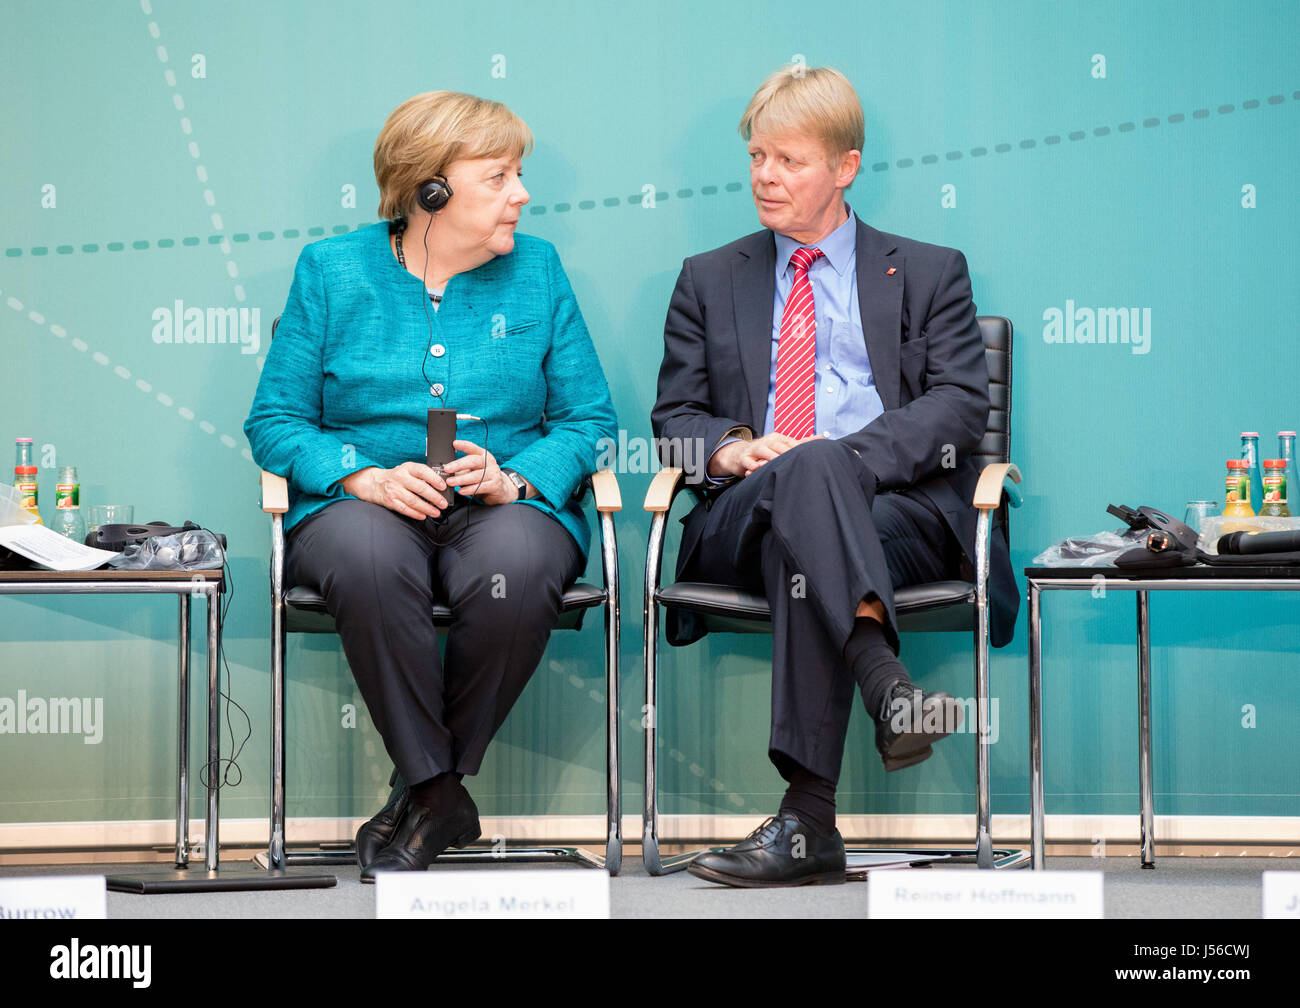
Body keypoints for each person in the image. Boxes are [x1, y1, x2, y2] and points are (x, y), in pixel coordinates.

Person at [651, 66, 1017, 887]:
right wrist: (735, 449)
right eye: (756, 158)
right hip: (741, 514)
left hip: (899, 515)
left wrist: (836, 461)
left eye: (788, 160)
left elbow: (960, 407)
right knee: (798, 505)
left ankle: (810, 822)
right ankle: (888, 690)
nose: (764, 177)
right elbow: (672, 424)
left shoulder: (927, 271)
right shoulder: (710, 278)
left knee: (809, 521)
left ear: (845, 167)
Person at [244, 91, 618, 881]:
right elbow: (274, 421)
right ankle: (441, 792)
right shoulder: (332, 270)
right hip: (362, 508)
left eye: (520, 174)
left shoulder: (539, 270)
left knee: (515, 571)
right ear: (432, 192)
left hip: (502, 507)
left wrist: (516, 477)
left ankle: (422, 791)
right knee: (371, 563)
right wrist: (361, 475)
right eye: (500, 177)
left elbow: (590, 419)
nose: (522, 194)